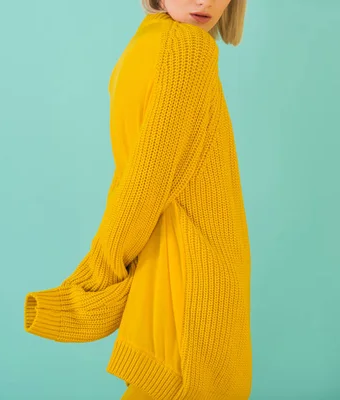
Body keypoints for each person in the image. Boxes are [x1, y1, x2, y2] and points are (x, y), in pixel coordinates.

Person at [24, 0, 251, 398]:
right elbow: (143, 186)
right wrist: (94, 281)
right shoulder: (188, 50)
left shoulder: (143, 45)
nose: (206, 2)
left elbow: (134, 179)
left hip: (164, 271)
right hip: (195, 283)